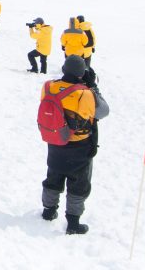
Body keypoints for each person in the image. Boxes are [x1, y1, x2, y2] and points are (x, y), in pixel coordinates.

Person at [40, 55, 109, 235]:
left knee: (53, 176)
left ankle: (48, 211)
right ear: (81, 73)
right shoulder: (85, 94)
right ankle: (73, 223)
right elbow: (103, 111)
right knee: (78, 185)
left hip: (55, 142)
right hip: (79, 146)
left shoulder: (48, 87)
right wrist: (93, 87)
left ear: (63, 70)